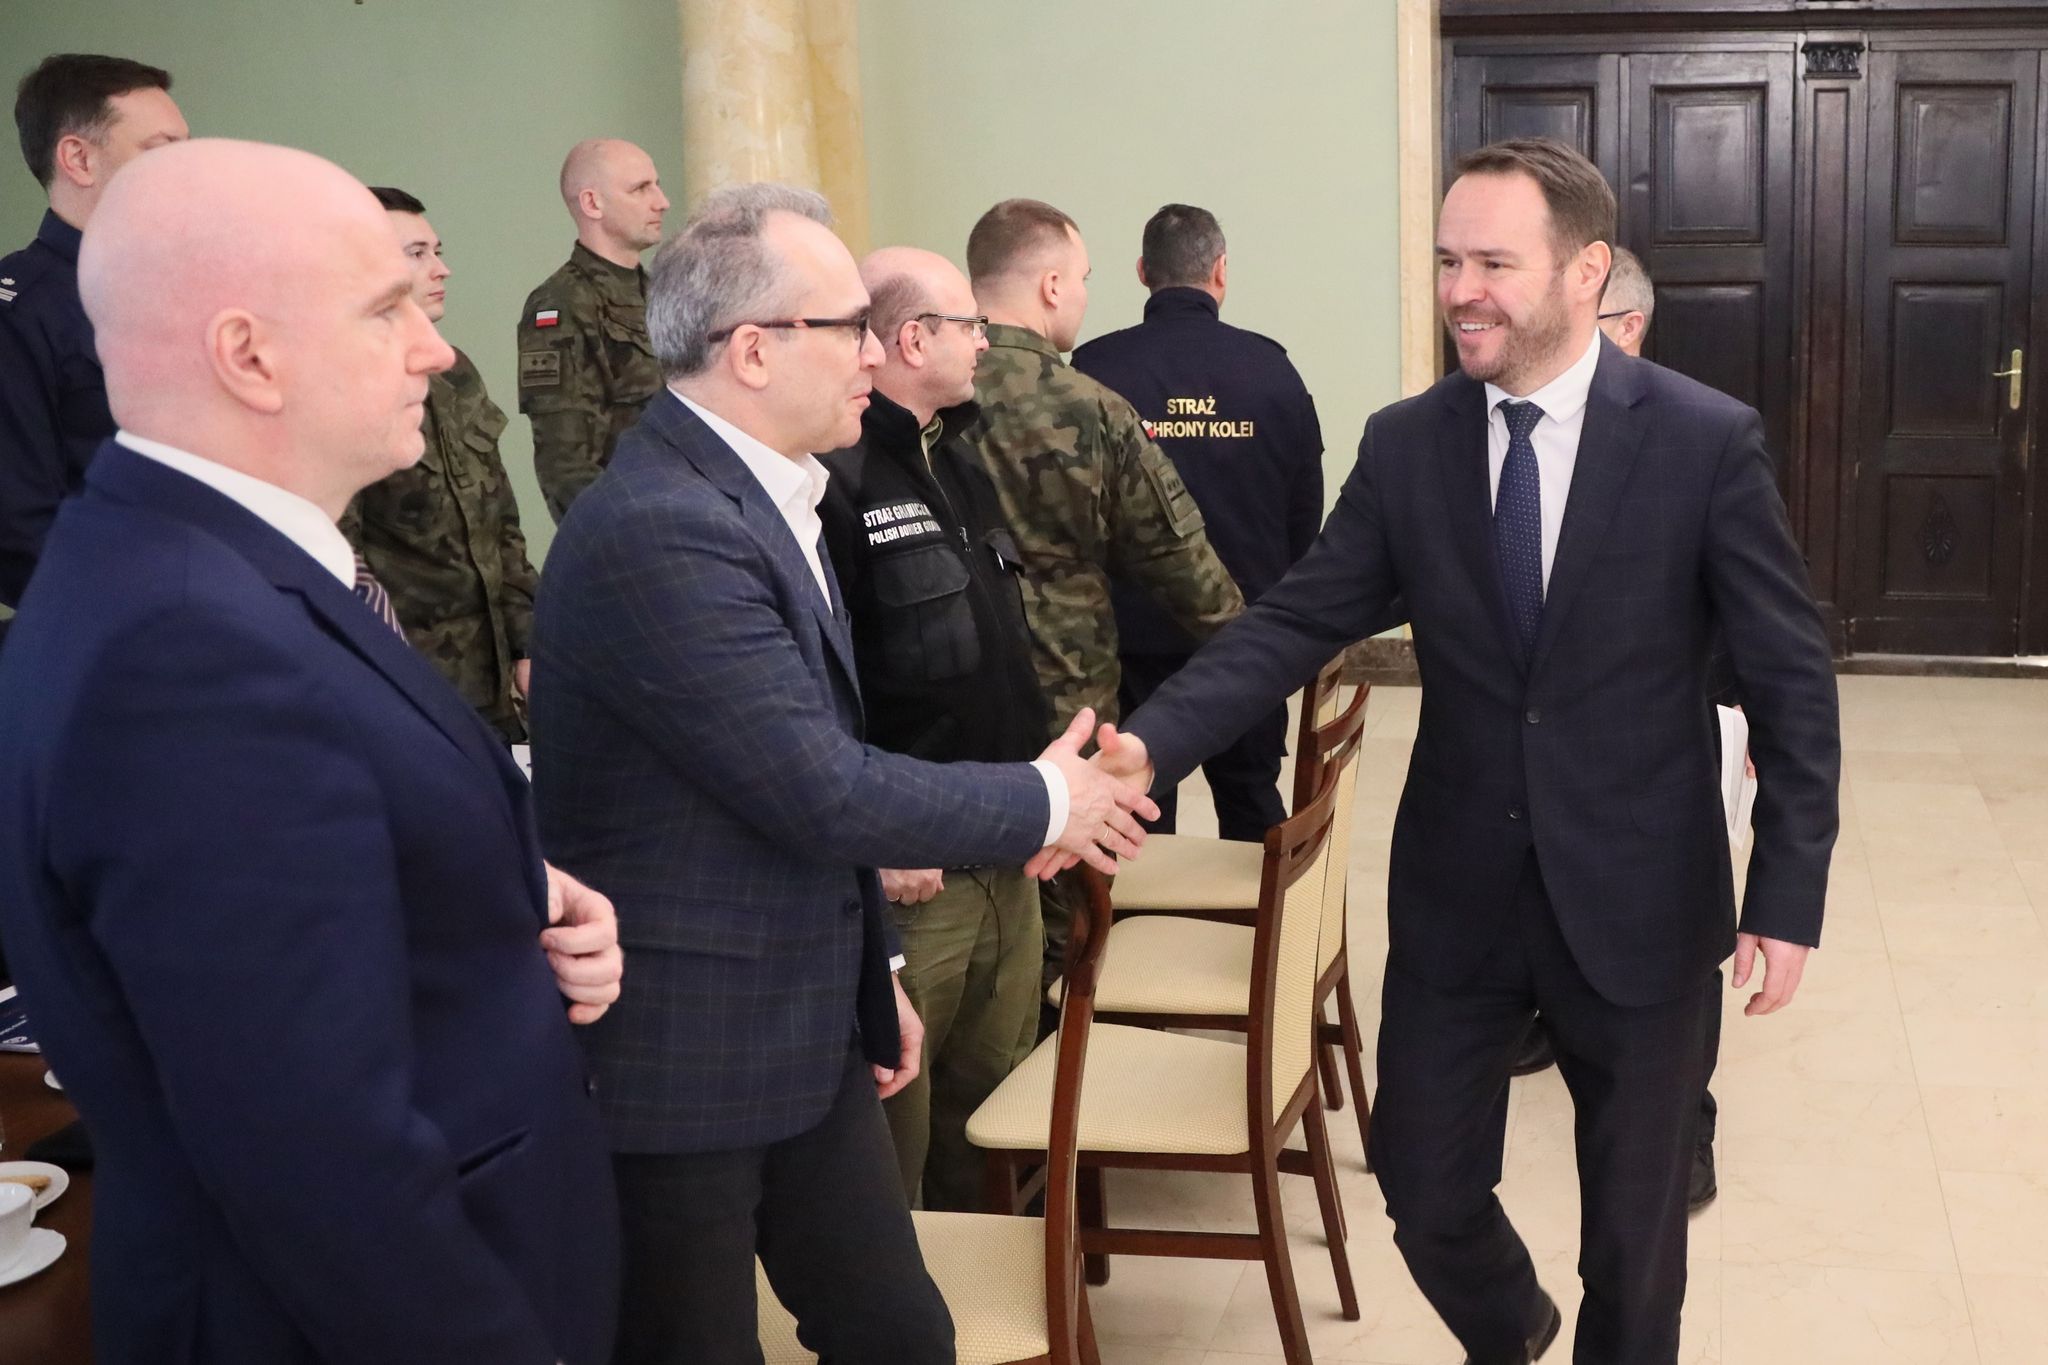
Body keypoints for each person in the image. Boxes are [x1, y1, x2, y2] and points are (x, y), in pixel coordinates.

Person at [1089, 139, 1841, 1363]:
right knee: (1420, 1184)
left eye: (1492, 262)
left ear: (1585, 271)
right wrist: (1151, 744)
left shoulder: (1702, 441)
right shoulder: (1407, 445)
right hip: (1460, 894)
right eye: (1446, 261)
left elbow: (1789, 677)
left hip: (1641, 895)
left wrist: (1787, 892)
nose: (1459, 291)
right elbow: (1290, 620)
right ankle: (1513, 1328)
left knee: (1634, 1237)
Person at [0, 139, 625, 1365]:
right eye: (386, 307)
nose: (433, 348)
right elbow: (312, 1152)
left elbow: (289, 894)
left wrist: (502, 895)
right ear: (250, 355)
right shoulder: (187, 647)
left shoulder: (198, 565)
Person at [527, 182, 1156, 1364]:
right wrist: (1046, 798)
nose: (875, 351)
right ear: (752, 350)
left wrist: (874, 975)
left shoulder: (768, 495)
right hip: (690, 1053)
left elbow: (780, 784)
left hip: (799, 1020)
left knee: (899, 1333)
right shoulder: (665, 525)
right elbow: (817, 785)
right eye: (848, 326)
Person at [816, 246, 1049, 1212]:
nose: (985, 342)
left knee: (991, 1117)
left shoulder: (953, 454)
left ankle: (988, 1293)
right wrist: (873, 841)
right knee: (899, 1141)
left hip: (1003, 847)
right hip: (916, 875)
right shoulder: (835, 478)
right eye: (969, 325)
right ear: (913, 338)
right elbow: (824, 687)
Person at [1072, 202, 1324, 840]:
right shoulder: (1271, 369)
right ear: (1221, 271)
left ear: (1142, 272)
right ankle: (1265, 908)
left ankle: (1145, 908)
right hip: (1247, 637)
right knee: (1252, 798)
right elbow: (1305, 511)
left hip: (1131, 638)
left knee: (1136, 808)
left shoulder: (1095, 370)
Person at [962, 196, 1244, 739]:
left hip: (947, 719)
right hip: (1069, 713)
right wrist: (1258, 649)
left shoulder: (924, 394)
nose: (1083, 295)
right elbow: (1181, 564)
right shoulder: (1093, 409)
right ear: (1052, 286)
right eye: (1083, 278)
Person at [343, 186, 541, 743]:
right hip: (406, 687)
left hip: (493, 682)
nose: (442, 269)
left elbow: (502, 523)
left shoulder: (455, 372)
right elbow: (340, 557)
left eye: (437, 250)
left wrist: (528, 644)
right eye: (417, 253)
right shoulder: (349, 388)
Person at [0, 53, 187, 621]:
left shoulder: (183, 295)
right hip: (124, 627)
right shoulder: (20, 311)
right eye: (160, 152)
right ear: (79, 159)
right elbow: (17, 530)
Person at [516, 138, 668, 521]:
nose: (662, 202)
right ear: (592, 204)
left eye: (657, 185)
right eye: (640, 189)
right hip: (633, 525)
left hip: (686, 509)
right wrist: (624, 536)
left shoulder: (663, 294)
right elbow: (566, 467)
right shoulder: (561, 304)